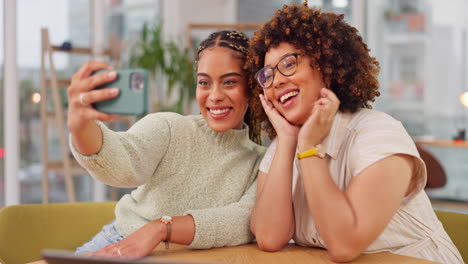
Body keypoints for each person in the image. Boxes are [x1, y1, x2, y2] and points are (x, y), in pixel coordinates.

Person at [246, 3, 464, 264]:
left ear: (326, 67)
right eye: (267, 75)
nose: (277, 81)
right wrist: (288, 142)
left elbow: (344, 244)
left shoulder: (378, 133)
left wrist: (307, 148)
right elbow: (270, 238)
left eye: (289, 64)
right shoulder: (282, 146)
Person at [67, 30, 265, 258]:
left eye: (229, 82)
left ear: (252, 87)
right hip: (120, 242)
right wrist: (80, 126)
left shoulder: (261, 162)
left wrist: (162, 228)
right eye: (204, 82)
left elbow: (241, 222)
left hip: (181, 256)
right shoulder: (169, 128)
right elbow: (122, 164)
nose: (215, 95)